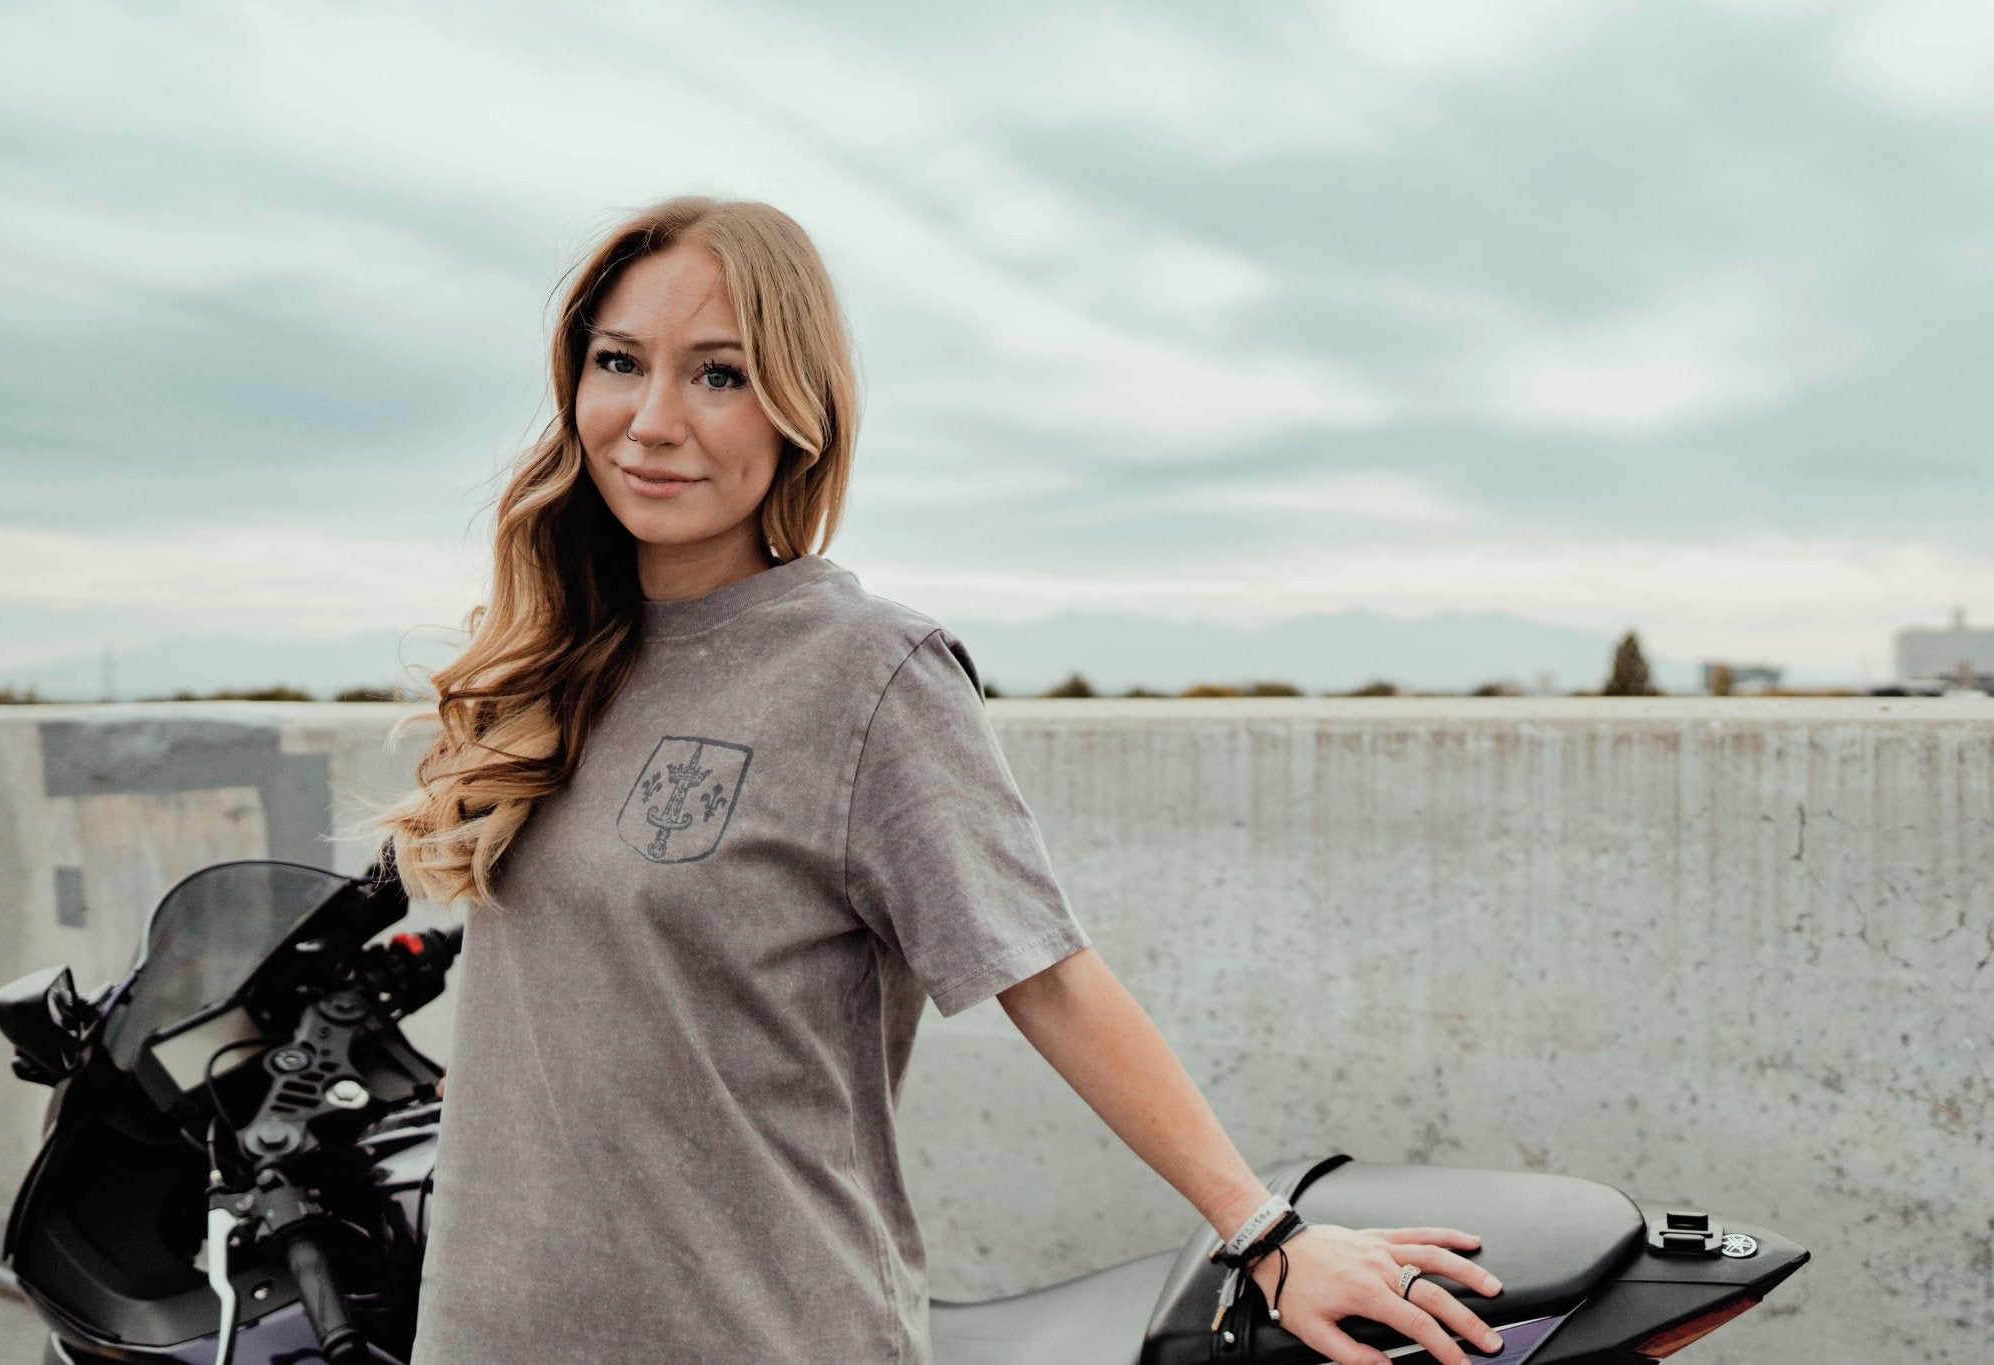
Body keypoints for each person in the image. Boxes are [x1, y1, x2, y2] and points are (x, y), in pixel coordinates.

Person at [370, 195, 1504, 1365]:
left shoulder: (865, 672)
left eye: (718, 375)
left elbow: (1044, 973)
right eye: (620, 363)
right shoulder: (559, 662)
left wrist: (1261, 1231)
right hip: (492, 1334)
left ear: (798, 409)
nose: (653, 421)